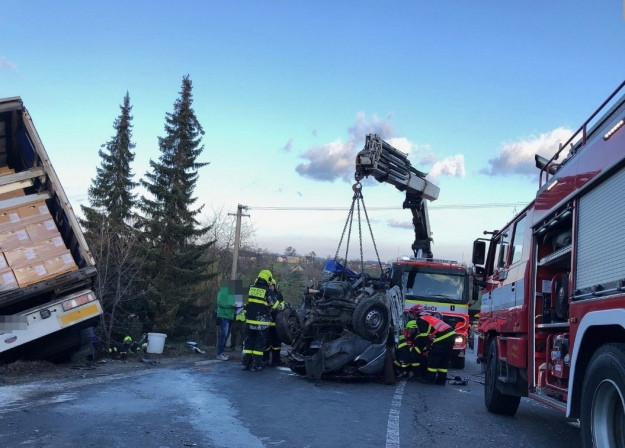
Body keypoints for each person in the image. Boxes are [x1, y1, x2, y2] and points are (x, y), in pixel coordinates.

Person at [408, 304, 456, 385]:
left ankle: (430, 379)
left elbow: (424, 336)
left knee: (434, 358)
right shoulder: (430, 317)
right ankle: (441, 380)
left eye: (412, 313)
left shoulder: (421, 319)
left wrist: (427, 348)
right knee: (444, 359)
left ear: (416, 313)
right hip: (452, 335)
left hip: (442, 337)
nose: (412, 315)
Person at [242, 270, 273, 372]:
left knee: (248, 343)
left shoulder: (250, 288)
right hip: (262, 324)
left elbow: (242, 303)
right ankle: (256, 365)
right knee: (259, 345)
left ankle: (245, 364)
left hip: (249, 322)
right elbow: (275, 305)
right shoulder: (267, 291)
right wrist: (282, 305)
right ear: (267, 279)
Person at [264, 279, 286, 366]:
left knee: (277, 343)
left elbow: (282, 304)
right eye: (269, 285)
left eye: (272, 285)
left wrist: (280, 307)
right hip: (266, 323)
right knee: (266, 343)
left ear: (274, 286)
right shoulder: (265, 293)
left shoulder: (278, 294)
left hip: (276, 323)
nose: (271, 287)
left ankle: (276, 360)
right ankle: (265, 359)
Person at [215, 280, 236, 361]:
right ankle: (219, 353)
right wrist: (231, 305)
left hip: (230, 316)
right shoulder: (222, 292)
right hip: (223, 316)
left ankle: (221, 352)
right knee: (223, 335)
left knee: (226, 335)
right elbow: (219, 303)